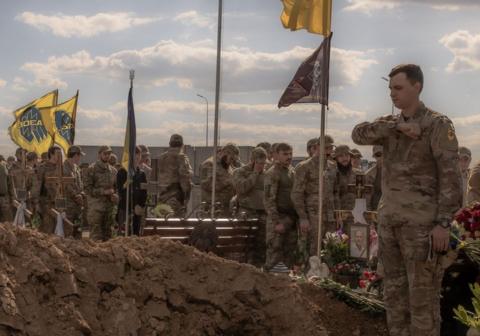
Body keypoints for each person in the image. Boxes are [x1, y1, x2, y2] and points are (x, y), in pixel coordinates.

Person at [352, 63, 462, 336]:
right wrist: (395, 127)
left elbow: (452, 179)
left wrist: (444, 223)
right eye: (390, 88)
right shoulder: (388, 125)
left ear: (417, 87)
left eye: (398, 88)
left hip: (422, 228)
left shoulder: (437, 124)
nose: (392, 94)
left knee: (422, 304)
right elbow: (357, 134)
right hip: (390, 224)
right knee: (394, 299)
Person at [291, 135, 337, 258]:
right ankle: (309, 274)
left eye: (330, 148)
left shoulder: (332, 166)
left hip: (329, 214)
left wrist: (337, 214)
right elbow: (297, 194)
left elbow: (335, 191)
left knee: (330, 246)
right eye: (325, 148)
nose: (328, 151)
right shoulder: (304, 166)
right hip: (312, 215)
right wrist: (303, 217)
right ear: (316, 147)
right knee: (312, 248)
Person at [263, 142, 297, 271]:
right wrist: (277, 222)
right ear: (276, 155)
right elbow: (268, 200)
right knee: (274, 256)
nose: (289, 157)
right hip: (278, 219)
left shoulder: (291, 171)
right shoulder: (273, 173)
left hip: (290, 219)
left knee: (289, 256)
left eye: (290, 154)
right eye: (285, 154)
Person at [232, 146, 268, 266]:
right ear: (252, 160)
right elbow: (242, 188)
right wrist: (255, 174)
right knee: (244, 244)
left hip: (263, 213)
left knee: (262, 244)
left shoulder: (267, 174)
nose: (262, 166)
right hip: (246, 212)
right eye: (260, 163)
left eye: (264, 163)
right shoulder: (240, 172)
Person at [84, 146, 118, 241]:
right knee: (96, 238)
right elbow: (87, 189)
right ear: (99, 155)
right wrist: (103, 192)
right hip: (96, 209)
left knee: (108, 237)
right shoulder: (92, 169)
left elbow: (116, 188)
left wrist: (115, 196)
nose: (107, 156)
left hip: (109, 209)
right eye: (105, 154)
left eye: (109, 154)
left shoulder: (113, 171)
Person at [157, 134, 193, 217]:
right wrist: (186, 197)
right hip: (175, 201)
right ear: (182, 145)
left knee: (161, 226)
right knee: (175, 228)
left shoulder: (161, 158)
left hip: (162, 199)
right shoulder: (182, 157)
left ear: (170, 144)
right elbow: (185, 180)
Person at [200, 143, 238, 217]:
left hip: (225, 208)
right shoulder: (209, 164)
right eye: (231, 159)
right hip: (212, 209)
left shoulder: (227, 166)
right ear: (225, 152)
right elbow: (206, 184)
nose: (231, 162)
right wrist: (227, 181)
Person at [117, 146, 147, 236]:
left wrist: (140, 205)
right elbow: (121, 191)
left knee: (136, 234)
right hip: (125, 208)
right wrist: (131, 205)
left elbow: (144, 192)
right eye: (135, 157)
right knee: (123, 235)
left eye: (138, 157)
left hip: (137, 210)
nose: (137, 160)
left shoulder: (142, 174)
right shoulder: (122, 172)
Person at [32, 146, 63, 234]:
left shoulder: (61, 168)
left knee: (60, 232)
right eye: (58, 154)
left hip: (60, 204)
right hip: (46, 203)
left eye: (61, 154)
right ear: (51, 154)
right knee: (47, 231)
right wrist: (36, 203)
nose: (60, 156)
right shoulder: (42, 168)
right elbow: (36, 186)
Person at [63, 145, 85, 238]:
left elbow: (80, 184)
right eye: (80, 156)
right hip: (68, 204)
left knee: (78, 230)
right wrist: (76, 196)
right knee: (68, 229)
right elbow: (66, 185)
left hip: (77, 204)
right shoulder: (64, 167)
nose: (80, 158)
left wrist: (82, 194)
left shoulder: (76, 168)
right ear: (76, 155)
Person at [333, 145, 362, 210]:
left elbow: (363, 196)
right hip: (337, 214)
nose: (345, 158)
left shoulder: (359, 174)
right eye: (341, 156)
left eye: (347, 155)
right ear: (336, 158)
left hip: (355, 214)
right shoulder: (331, 175)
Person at [365, 145, 383, 211]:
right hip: (376, 210)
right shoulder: (368, 175)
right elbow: (367, 197)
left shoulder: (397, 173)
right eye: (379, 154)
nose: (382, 157)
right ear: (374, 156)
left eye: (385, 153)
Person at [0, 157, 14, 222]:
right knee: (7, 221)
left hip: (4, 198)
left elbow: (10, 183)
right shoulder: (4, 168)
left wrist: (12, 197)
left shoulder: (4, 168)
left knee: (7, 222)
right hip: (4, 198)